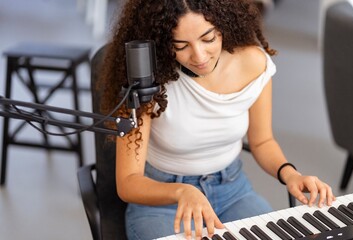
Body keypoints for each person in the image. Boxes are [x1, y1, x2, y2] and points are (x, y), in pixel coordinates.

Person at [99, 0, 335, 239]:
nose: (199, 56)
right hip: (163, 201)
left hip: (232, 190)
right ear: (161, 41)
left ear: (223, 25)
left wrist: (290, 174)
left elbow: (262, 141)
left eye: (208, 39)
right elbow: (129, 182)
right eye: (181, 46)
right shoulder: (147, 82)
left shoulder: (253, 63)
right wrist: (181, 192)